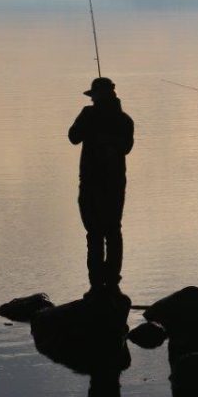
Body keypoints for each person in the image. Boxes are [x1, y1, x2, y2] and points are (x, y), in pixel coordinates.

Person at [69, 77, 134, 297]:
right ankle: (111, 283)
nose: (93, 100)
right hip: (114, 185)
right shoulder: (125, 120)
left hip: (91, 184)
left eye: (94, 96)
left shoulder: (90, 115)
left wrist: (90, 121)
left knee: (95, 234)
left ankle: (97, 284)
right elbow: (126, 148)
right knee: (112, 232)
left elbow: (72, 137)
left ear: (98, 96)